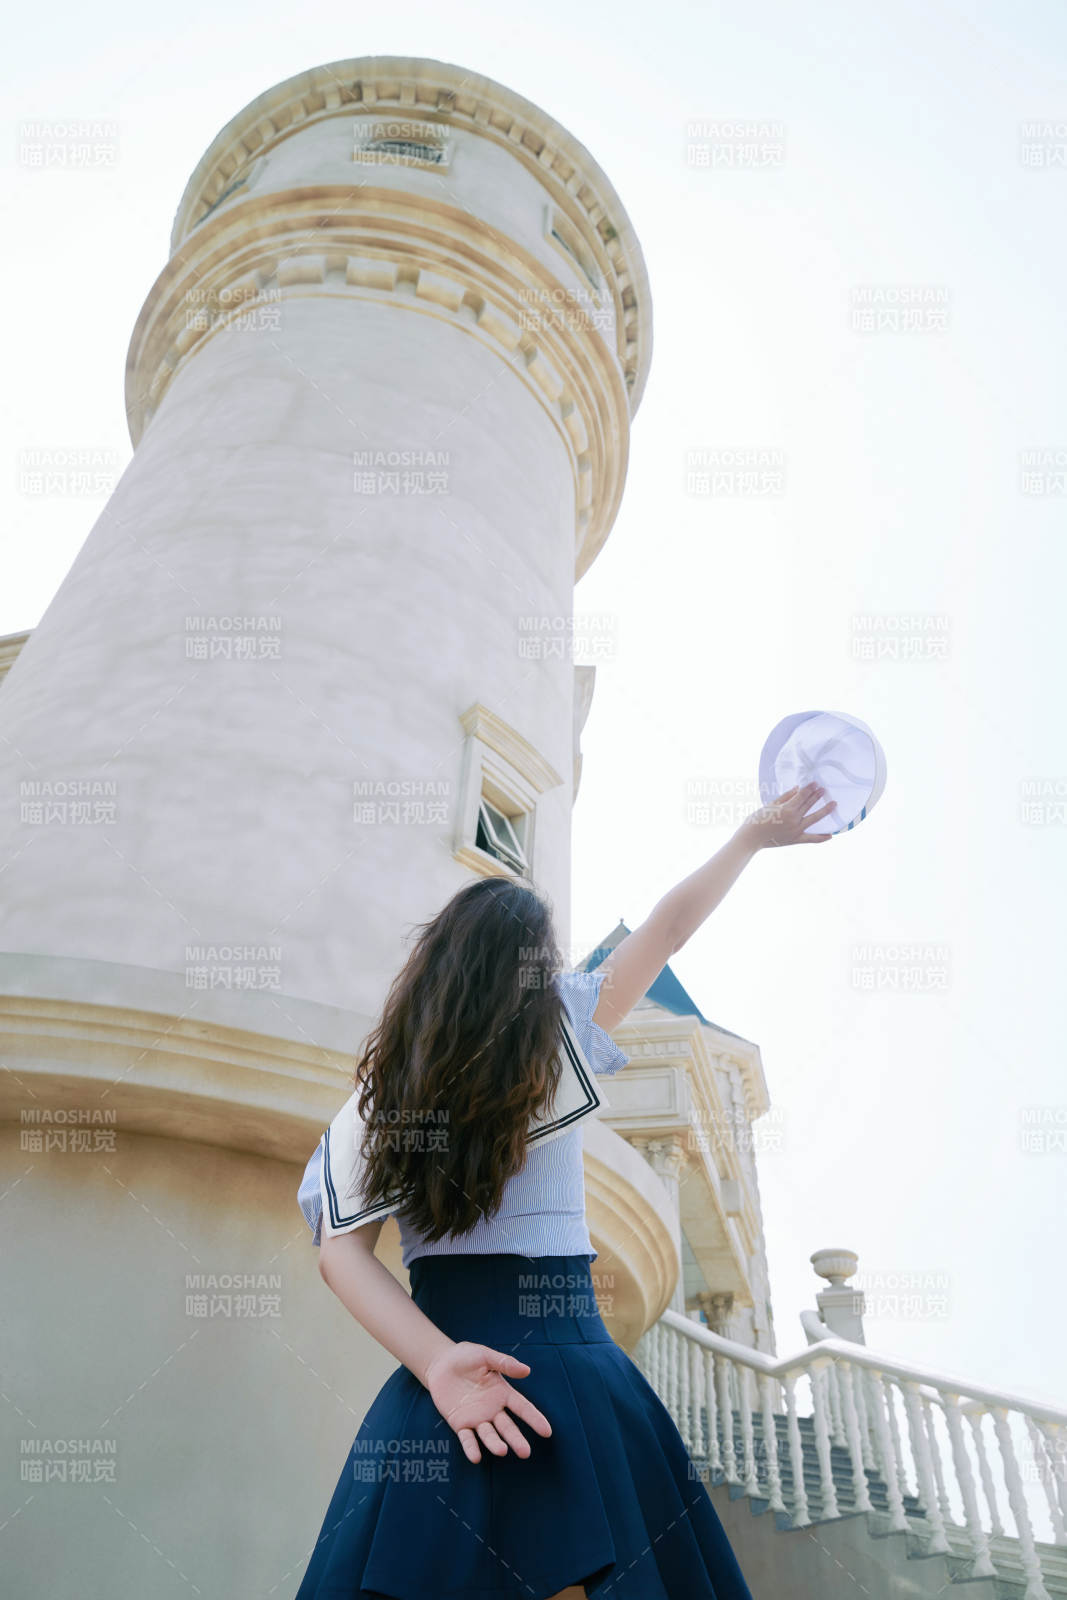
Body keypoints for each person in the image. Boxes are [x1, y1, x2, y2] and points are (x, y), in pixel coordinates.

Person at [294, 782, 834, 1598]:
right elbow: (669, 926)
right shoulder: (558, 1034)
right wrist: (751, 837)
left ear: (433, 969)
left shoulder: (375, 1107)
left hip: (449, 1382)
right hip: (574, 1378)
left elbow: (341, 1256)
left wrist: (438, 1364)